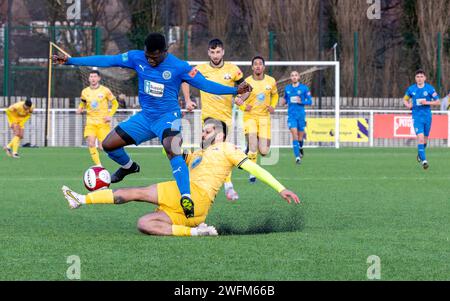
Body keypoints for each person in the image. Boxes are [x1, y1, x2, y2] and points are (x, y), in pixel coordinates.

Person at [53, 32, 252, 219]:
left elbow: (205, 84)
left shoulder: (180, 66)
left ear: (165, 52)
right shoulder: (136, 57)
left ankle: (186, 197)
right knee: (108, 144)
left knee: (171, 147)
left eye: (155, 57)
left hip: (168, 117)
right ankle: (129, 167)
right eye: (148, 56)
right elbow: (106, 60)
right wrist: (71, 60)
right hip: (145, 118)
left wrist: (234, 90)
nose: (150, 60)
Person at [61, 118, 300, 237]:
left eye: (208, 130)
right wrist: (166, 125)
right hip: (194, 211)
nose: (204, 133)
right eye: (203, 130)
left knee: (134, 193)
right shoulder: (198, 154)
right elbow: (173, 150)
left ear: (221, 133)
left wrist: (281, 188)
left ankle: (80, 199)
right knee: (144, 224)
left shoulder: (228, 148)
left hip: (196, 195)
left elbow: (256, 169)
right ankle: (197, 232)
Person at [182, 38, 244, 201]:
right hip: (208, 118)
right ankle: (221, 186)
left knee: (221, 151)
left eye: (218, 52)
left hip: (227, 119)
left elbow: (245, 88)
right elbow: (184, 80)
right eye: (212, 52)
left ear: (223, 52)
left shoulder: (233, 69)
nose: (215, 55)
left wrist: (241, 98)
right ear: (208, 52)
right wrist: (187, 100)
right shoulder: (200, 69)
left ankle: (223, 185)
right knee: (213, 149)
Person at [239, 56, 279, 183]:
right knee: (253, 146)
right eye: (255, 64)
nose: (257, 66)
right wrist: (245, 106)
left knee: (264, 151)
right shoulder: (247, 82)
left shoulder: (271, 81)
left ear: (264, 67)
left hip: (264, 119)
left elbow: (275, 95)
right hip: (249, 117)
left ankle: (248, 150)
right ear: (252, 67)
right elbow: (238, 100)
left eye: (260, 64)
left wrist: (273, 106)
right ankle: (252, 174)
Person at [78, 70, 118, 166]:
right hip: (90, 122)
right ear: (88, 78)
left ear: (99, 78)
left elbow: (115, 104)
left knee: (103, 146)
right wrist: (80, 108)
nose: (93, 78)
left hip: (103, 123)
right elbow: (83, 102)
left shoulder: (105, 90)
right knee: (91, 143)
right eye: (91, 76)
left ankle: (121, 158)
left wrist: (110, 115)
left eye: (95, 76)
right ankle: (99, 165)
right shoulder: (85, 92)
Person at [403, 69, 441, 169]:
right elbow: (405, 99)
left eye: (421, 77)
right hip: (417, 117)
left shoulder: (430, 89)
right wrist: (408, 105)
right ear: (415, 79)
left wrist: (427, 102)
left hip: (427, 117)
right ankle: (424, 161)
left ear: (425, 78)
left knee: (424, 141)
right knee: (420, 138)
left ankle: (420, 154)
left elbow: (438, 102)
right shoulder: (411, 89)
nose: (419, 78)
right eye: (417, 77)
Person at [280, 71, 312, 164]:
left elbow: (310, 101)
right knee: (294, 134)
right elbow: (286, 99)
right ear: (290, 78)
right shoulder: (287, 88)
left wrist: (301, 101)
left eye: (296, 75)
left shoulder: (304, 88)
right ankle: (297, 157)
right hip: (291, 116)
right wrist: (283, 101)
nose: (294, 77)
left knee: (300, 138)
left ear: (298, 77)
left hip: (301, 116)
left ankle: (301, 147)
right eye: (292, 75)